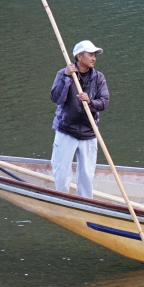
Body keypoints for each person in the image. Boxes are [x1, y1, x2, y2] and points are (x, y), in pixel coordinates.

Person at [50, 39, 109, 198]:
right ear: (79, 56)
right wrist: (67, 78)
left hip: (89, 133)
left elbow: (104, 102)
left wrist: (90, 102)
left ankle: (85, 207)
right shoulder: (63, 74)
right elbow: (56, 99)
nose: (94, 58)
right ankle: (62, 203)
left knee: (87, 177)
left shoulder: (98, 77)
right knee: (61, 174)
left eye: (95, 55)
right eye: (90, 54)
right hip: (66, 130)